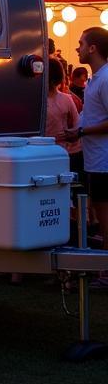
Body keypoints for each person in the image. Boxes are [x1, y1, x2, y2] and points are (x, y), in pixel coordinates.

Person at [66, 27, 108, 288]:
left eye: (81, 43)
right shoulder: (96, 79)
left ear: (93, 48)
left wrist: (80, 131)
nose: (77, 48)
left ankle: (105, 272)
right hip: (95, 159)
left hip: (104, 161)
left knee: (106, 219)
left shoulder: (104, 79)